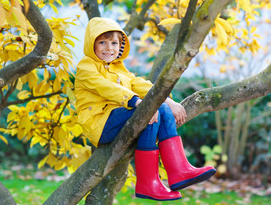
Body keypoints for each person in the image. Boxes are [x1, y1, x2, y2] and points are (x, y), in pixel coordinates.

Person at [74, 17, 216, 201]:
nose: (109, 48)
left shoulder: (120, 69)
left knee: (162, 109)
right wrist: (136, 102)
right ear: (91, 43)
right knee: (149, 111)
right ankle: (147, 183)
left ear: (120, 46)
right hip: (100, 123)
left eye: (114, 43)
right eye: (102, 42)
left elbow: (141, 84)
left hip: (117, 117)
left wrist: (169, 102)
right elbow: (106, 87)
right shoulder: (86, 67)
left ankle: (178, 171)